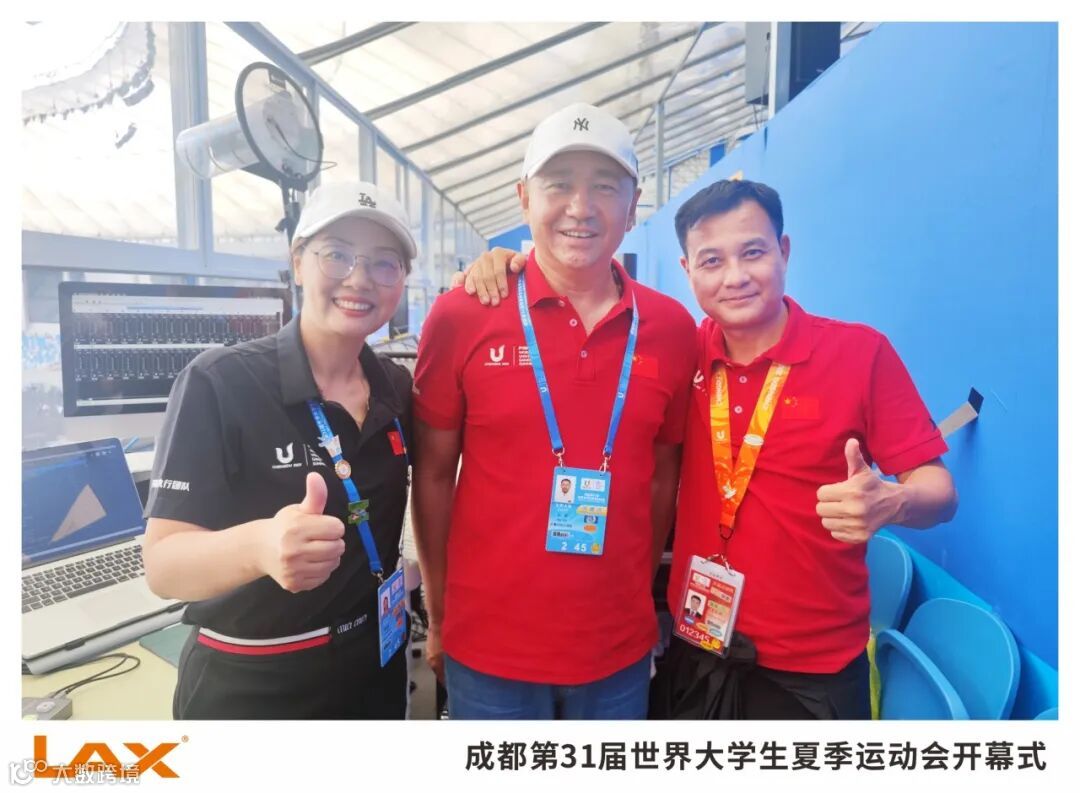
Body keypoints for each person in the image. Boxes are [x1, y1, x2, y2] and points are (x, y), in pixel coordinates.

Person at [459, 178, 958, 720]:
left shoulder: (859, 354)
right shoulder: (678, 350)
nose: (735, 277)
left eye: (753, 253)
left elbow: (939, 490)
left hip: (813, 671)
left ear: (784, 251)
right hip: (697, 649)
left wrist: (894, 501)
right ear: (688, 270)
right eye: (712, 261)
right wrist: (507, 266)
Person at [411, 103, 697, 720]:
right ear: (524, 198)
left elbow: (663, 476)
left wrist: (629, 598)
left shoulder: (672, 329)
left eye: (605, 187)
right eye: (558, 184)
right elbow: (432, 475)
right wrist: (439, 614)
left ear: (634, 205)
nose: (580, 207)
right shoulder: (463, 315)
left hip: (616, 654)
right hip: (488, 650)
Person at [142, 181, 416, 719]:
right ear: (297, 262)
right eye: (337, 254)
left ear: (402, 280)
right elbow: (163, 567)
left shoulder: (396, 388)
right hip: (255, 681)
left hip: (374, 663)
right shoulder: (221, 383)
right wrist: (260, 546)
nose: (359, 278)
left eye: (385, 263)